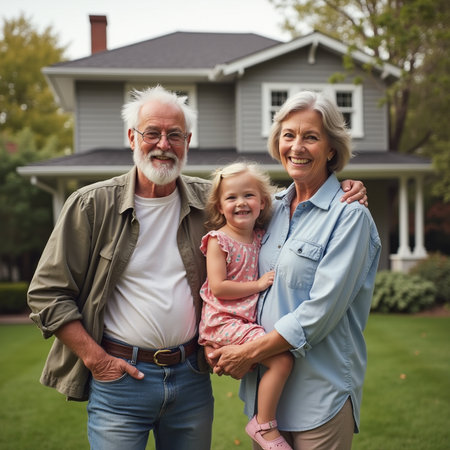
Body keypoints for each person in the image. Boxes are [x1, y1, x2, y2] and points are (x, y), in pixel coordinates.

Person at [27, 85, 368, 450]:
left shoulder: (209, 201)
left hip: (190, 379)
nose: (163, 144)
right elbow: (47, 294)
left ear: (187, 141)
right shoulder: (92, 205)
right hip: (121, 380)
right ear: (131, 138)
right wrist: (97, 361)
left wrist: (343, 187)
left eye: (174, 134)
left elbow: (275, 202)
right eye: (152, 133)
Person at [207, 91, 381, 450]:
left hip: (319, 395)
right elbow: (223, 191)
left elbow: (320, 312)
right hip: (267, 401)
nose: (297, 147)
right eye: (289, 135)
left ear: (331, 149)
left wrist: (248, 353)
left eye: (310, 137)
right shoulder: (270, 209)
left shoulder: (349, 216)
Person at [198, 161, 293, 450]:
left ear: (263, 202)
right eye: (231, 197)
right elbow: (219, 288)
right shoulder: (218, 241)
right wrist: (259, 284)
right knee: (281, 359)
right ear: (219, 206)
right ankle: (263, 425)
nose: (241, 203)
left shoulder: (262, 237)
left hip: (242, 323)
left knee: (271, 359)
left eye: (248, 195)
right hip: (223, 321)